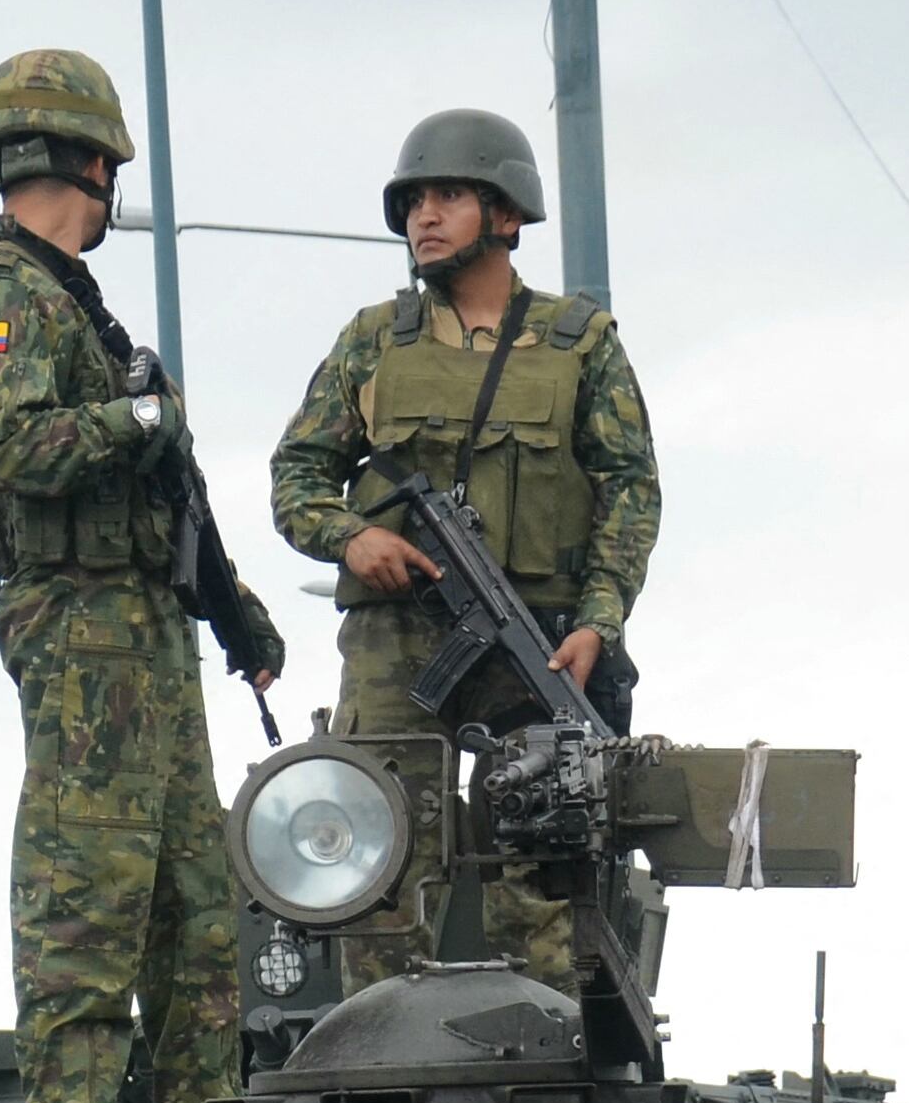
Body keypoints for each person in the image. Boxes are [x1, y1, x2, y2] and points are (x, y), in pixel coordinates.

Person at [0, 48, 285, 1103]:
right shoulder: (7, 296)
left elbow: (163, 487)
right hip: (80, 626)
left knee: (192, 894)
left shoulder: (73, 299)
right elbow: (13, 448)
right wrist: (137, 415)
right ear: (94, 158)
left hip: (145, 626)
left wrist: (231, 611)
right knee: (88, 882)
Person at [267, 108, 662, 989]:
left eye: (448, 196)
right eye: (413, 202)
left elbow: (630, 490)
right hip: (396, 644)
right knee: (385, 858)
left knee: (543, 859)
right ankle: (381, 1059)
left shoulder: (579, 344)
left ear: (507, 215)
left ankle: (549, 1054)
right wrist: (353, 536)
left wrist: (597, 622)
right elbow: (296, 475)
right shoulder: (375, 340)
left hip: (538, 639)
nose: (424, 217)